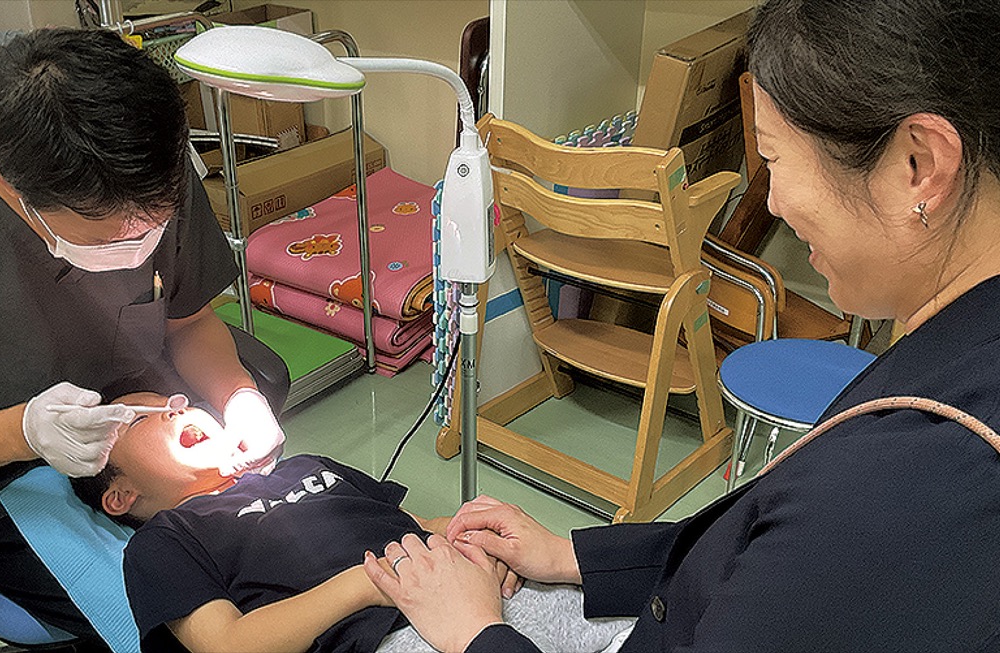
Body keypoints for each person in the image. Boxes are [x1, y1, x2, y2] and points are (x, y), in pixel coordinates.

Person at [363, 1, 1000, 651]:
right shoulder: (957, 354)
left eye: (775, 159)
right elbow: (747, 543)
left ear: (918, 165)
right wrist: (573, 556)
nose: (772, 200)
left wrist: (476, 632)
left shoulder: (906, 483)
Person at [0, 28, 287, 645]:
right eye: (114, 235)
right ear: (19, 191)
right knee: (179, 623)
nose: (142, 240)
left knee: (290, 550)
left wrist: (237, 397)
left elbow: (189, 318)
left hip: (140, 410)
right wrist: (22, 432)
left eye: (154, 223)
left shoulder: (144, 165)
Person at [73, 391, 633, 653]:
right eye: (142, 418)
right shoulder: (168, 538)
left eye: (174, 401)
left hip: (489, 586)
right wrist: (367, 584)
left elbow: (412, 520)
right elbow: (226, 644)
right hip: (389, 637)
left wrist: (482, 534)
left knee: (653, 614)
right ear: (119, 496)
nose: (174, 408)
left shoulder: (304, 466)